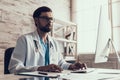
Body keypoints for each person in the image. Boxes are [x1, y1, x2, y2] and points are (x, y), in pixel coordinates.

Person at [9, 6, 87, 74]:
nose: (49, 21)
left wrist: (71, 66)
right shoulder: (25, 40)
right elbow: (14, 68)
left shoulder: (54, 42)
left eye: (51, 19)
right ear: (36, 20)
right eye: (45, 18)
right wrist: (40, 68)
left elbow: (61, 64)